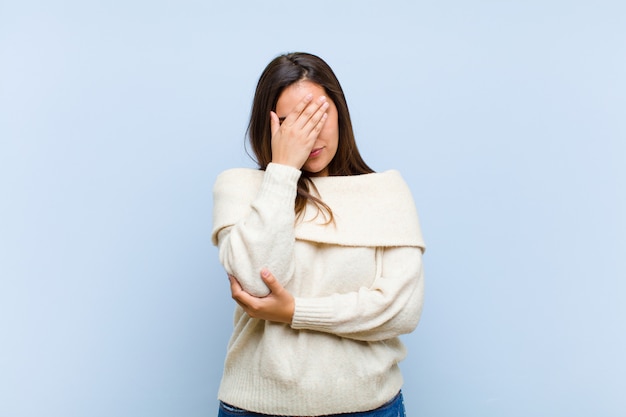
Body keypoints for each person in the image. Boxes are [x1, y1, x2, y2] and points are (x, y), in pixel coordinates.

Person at [211, 52, 425, 417]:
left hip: (370, 407)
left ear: (340, 112)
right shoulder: (241, 188)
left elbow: (399, 311)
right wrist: (281, 171)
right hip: (256, 409)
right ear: (270, 126)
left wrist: (294, 310)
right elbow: (255, 283)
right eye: (292, 122)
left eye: (319, 114)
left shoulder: (386, 192)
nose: (308, 132)